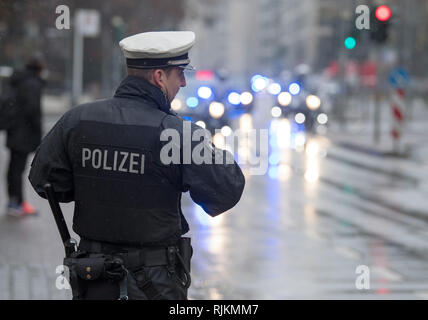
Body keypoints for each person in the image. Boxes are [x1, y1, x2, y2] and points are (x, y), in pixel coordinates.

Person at [29, 31, 245, 300]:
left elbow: (45, 181)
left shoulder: (77, 120)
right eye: (179, 73)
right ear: (159, 77)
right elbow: (226, 190)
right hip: (154, 285)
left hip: (93, 280)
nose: (184, 81)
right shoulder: (175, 133)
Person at [6, 54, 45, 217]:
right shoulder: (32, 84)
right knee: (18, 169)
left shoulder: (18, 80)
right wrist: (38, 132)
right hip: (24, 132)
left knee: (13, 167)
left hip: (14, 129)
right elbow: (33, 110)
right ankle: (17, 203)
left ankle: (14, 201)